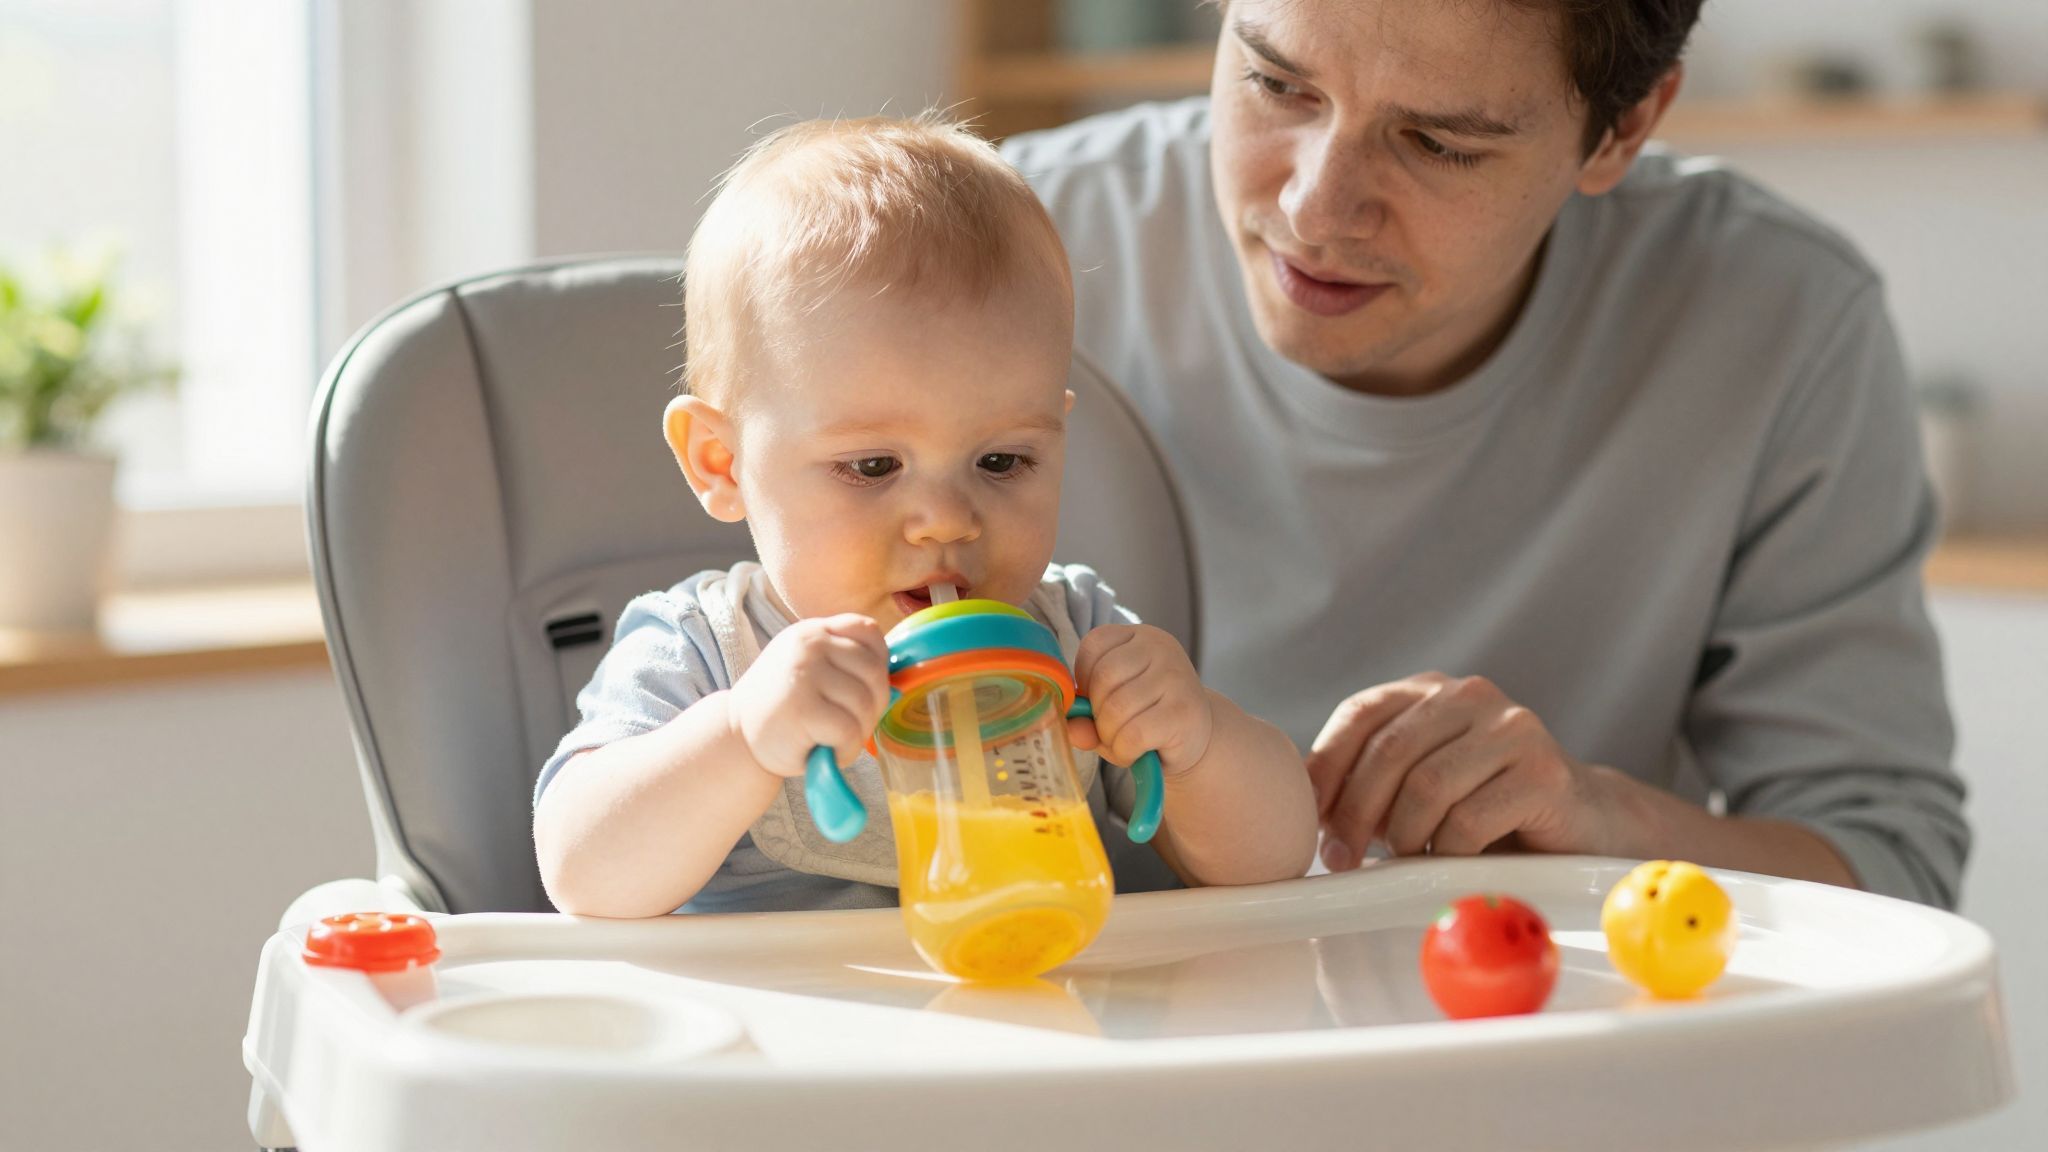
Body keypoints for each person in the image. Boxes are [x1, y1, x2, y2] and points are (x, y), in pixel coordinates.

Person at [1001, 0, 1968, 907]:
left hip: (1544, 1020)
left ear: (1624, 127)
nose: (1316, 207)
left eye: (1438, 143)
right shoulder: (997, 251)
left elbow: (1893, 871)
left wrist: (1601, 823)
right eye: (1277, 84)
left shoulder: (1783, 323)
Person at [532, 114, 1317, 918]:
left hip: (1045, 994)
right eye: (874, 467)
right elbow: (580, 871)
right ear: (721, 462)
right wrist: (740, 736)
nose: (946, 521)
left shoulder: (1072, 635)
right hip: (779, 1004)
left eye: (1001, 461)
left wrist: (1197, 742)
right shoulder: (702, 653)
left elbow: (1277, 859)